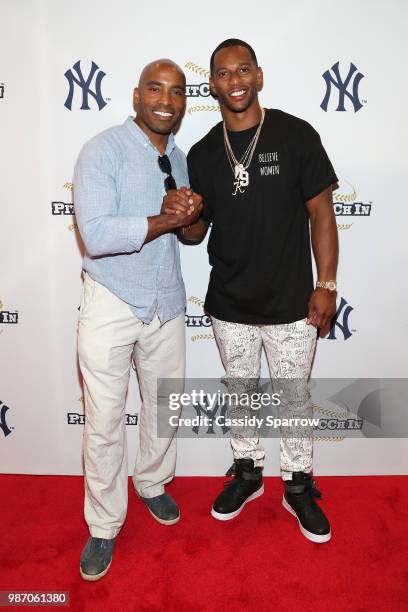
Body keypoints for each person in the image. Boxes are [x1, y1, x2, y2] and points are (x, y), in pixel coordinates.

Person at [162, 39, 338, 543]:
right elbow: (198, 233)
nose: (234, 80)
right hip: (229, 303)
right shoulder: (201, 153)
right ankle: (248, 471)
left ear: (258, 76)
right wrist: (183, 216)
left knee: (294, 398)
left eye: (243, 70)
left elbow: (322, 213)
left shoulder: (296, 134)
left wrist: (326, 283)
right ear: (211, 83)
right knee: (240, 394)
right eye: (223, 73)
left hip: (292, 304)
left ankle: (299, 484)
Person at [74, 59, 202, 581]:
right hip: (110, 298)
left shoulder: (181, 156)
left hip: (167, 299)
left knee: (163, 408)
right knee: (105, 422)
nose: (166, 100)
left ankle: (151, 482)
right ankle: (104, 525)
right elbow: (97, 236)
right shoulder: (101, 150)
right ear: (135, 95)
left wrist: (192, 215)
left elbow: (191, 237)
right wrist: (164, 218)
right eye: (156, 89)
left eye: (176, 92)